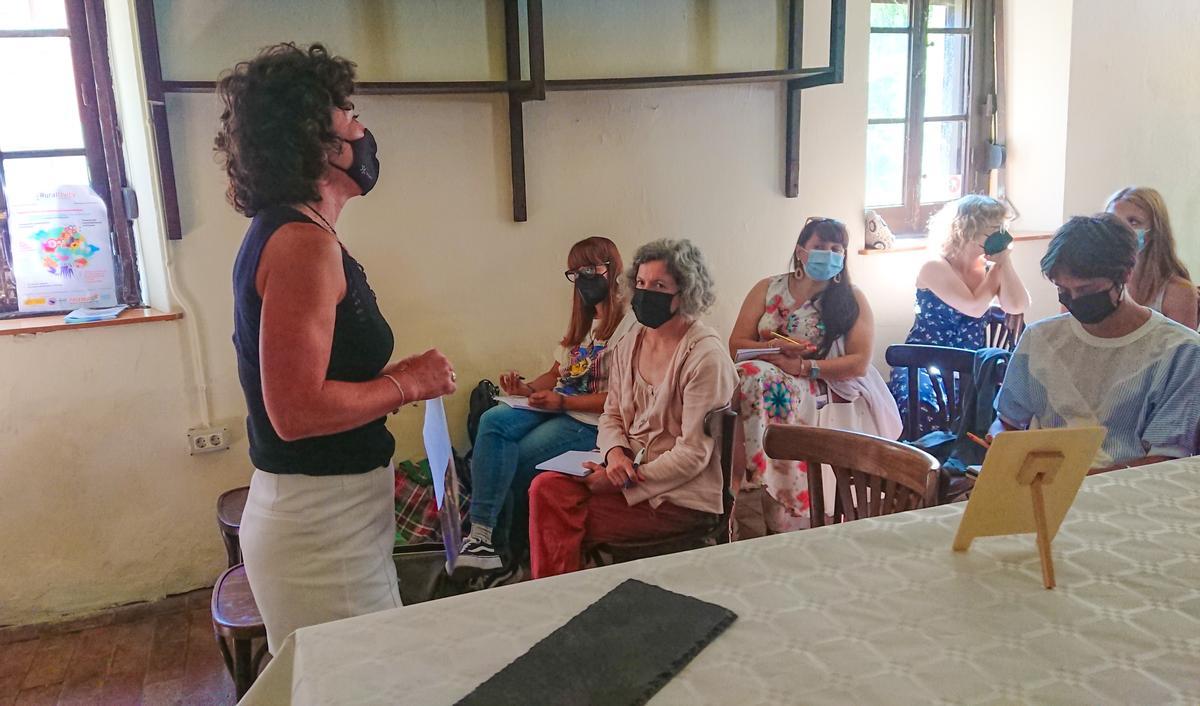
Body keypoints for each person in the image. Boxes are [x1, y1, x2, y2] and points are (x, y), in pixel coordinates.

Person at [220, 43, 456, 653]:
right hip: (322, 526)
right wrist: (410, 384)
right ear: (319, 143)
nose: (362, 126)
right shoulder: (302, 244)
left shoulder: (301, 231)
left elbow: (320, 377)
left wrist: (394, 376)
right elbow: (295, 413)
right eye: (348, 113)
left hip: (337, 514)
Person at [527, 239, 737, 578]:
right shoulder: (631, 342)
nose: (645, 293)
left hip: (677, 496)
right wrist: (616, 456)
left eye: (658, 285)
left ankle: (561, 599)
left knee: (558, 517)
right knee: (545, 488)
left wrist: (625, 481)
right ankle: (564, 592)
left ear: (684, 293)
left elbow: (693, 455)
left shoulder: (705, 357)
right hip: (625, 473)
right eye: (640, 283)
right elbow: (611, 414)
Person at [456, 237, 633, 580]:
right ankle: (482, 541)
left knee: (517, 459)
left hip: (590, 421)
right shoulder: (583, 325)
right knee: (492, 420)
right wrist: (524, 389)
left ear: (612, 270)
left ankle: (511, 553)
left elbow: (622, 397)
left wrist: (563, 402)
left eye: (590, 269)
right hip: (560, 407)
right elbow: (555, 375)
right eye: (575, 272)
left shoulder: (630, 325)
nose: (582, 278)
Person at [727, 217, 900, 535]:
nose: (829, 254)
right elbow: (736, 344)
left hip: (821, 380)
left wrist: (806, 368)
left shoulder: (852, 298)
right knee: (744, 377)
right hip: (768, 372)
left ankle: (758, 483)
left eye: (836, 249)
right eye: (820, 247)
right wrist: (772, 348)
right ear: (800, 252)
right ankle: (744, 483)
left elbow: (859, 361)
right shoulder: (767, 289)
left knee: (755, 380)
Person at [991, 214, 1200, 472]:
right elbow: (1007, 420)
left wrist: (1081, 477)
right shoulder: (1040, 338)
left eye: (1087, 290)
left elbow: (1166, 457)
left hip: (1128, 490)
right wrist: (1001, 446)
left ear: (1125, 274)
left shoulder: (1180, 351)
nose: (1075, 299)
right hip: (1041, 481)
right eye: (1063, 291)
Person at [888, 195, 1030, 433]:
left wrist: (1005, 263)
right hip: (924, 363)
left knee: (999, 412)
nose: (1001, 237)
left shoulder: (992, 269)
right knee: (926, 408)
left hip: (972, 368)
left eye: (1003, 230)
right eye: (993, 231)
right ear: (967, 231)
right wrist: (994, 277)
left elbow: (1018, 305)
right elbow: (973, 308)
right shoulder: (933, 267)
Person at [1105, 186, 1198, 329]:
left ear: (1155, 230)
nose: (1121, 230)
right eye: (1113, 222)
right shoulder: (1094, 283)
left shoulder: (1178, 292)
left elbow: (1183, 349)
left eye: (1133, 221)